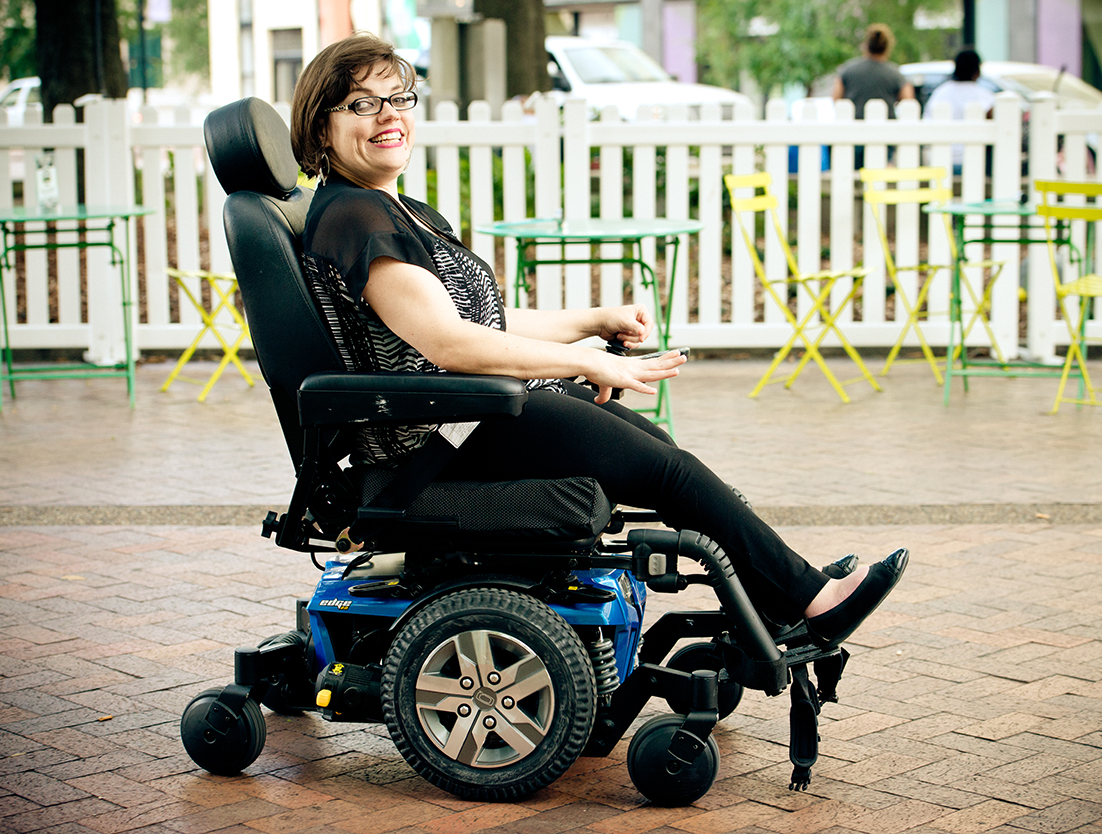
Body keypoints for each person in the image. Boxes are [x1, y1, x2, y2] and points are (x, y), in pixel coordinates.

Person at [289, 32, 906, 649]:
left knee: (658, 450)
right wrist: (581, 361)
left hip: (470, 415)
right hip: (438, 440)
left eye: (398, 98)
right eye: (362, 104)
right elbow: (451, 344)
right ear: (322, 129)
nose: (389, 115)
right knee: (668, 472)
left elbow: (487, 322)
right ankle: (811, 600)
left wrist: (592, 322)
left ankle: (775, 606)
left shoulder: (397, 210)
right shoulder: (355, 218)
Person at [832, 23, 915, 167]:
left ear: (866, 45)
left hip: (854, 131)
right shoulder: (895, 73)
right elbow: (908, 100)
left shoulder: (848, 70)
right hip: (885, 133)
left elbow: (836, 98)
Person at [922, 48, 995, 173]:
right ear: (977, 70)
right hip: (975, 163)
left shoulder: (939, 94)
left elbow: (925, 126)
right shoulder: (985, 96)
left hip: (940, 161)